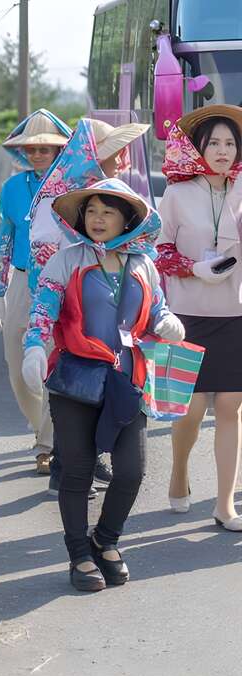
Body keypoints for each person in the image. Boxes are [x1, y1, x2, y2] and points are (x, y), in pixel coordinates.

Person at [21, 179, 185, 591]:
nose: (97, 219)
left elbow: (157, 309)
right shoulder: (66, 260)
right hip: (76, 380)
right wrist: (34, 347)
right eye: (91, 210)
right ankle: (79, 554)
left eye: (108, 212)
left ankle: (105, 540)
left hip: (128, 382)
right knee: (77, 470)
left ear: (126, 219)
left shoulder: (143, 264)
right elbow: (43, 309)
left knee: (131, 471)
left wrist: (167, 322)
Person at [25, 118, 150, 495]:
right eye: (115, 152)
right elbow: (44, 257)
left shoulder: (116, 193)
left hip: (104, 306)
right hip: (69, 308)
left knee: (100, 384)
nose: (122, 159)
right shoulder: (62, 198)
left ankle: (83, 461)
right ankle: (65, 468)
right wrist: (49, 316)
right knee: (73, 386)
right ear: (92, 156)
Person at [155, 104, 242, 531]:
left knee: (230, 407)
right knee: (189, 410)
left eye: (230, 143)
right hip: (186, 315)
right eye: (214, 143)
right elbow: (158, 251)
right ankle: (179, 471)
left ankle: (225, 505)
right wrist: (194, 268)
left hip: (236, 313)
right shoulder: (177, 193)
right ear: (198, 149)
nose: (223, 151)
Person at [0, 110, 72, 475]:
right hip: (22, 280)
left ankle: (48, 444)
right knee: (16, 361)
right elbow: (4, 240)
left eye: (46, 148)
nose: (38, 154)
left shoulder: (73, 186)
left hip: (63, 280)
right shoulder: (12, 188)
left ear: (59, 151)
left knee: (55, 358)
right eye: (32, 149)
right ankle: (41, 427)